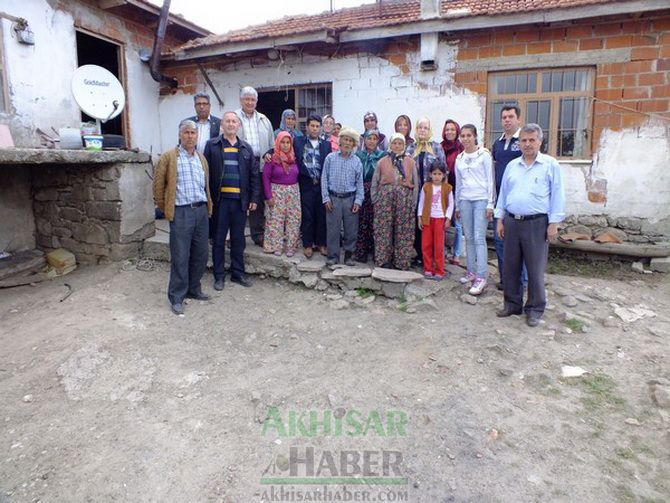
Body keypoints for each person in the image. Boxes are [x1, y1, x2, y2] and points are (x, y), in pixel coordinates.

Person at [495, 124, 565, 327]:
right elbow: (503, 195)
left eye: (531, 140)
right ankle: (512, 304)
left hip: (537, 223)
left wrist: (554, 223)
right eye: (523, 140)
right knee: (510, 266)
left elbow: (558, 194)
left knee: (534, 270)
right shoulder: (512, 166)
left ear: (540, 142)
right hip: (511, 222)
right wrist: (500, 219)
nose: (527, 144)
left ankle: (534, 309)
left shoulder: (550, 165)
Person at [153, 119, 213, 315]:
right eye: (186, 132)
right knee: (180, 255)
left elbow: (206, 186)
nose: (190, 136)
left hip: (201, 212)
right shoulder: (170, 157)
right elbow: (158, 188)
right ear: (180, 135)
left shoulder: (201, 158)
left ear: (197, 136)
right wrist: (167, 209)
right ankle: (177, 296)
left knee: (201, 254)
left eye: (193, 133)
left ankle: (193, 289)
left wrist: (206, 208)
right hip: (181, 212)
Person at [205, 111, 260, 291]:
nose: (230, 124)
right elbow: (205, 174)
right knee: (219, 239)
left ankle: (238, 273)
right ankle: (219, 276)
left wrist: (253, 198)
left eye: (233, 121)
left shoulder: (246, 148)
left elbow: (253, 176)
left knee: (238, 240)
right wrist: (208, 199)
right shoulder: (212, 146)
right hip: (220, 202)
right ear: (222, 125)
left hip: (239, 202)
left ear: (239, 125)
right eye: (227, 121)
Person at [454, 124, 494, 296]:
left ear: (475, 136)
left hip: (480, 199)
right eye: (462, 136)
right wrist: (457, 204)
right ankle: (470, 272)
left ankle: (481, 276)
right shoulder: (459, 158)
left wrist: (490, 203)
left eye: (469, 135)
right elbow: (458, 184)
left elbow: (490, 180)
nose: (465, 139)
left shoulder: (484, 155)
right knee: (468, 237)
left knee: (479, 238)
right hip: (465, 200)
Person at [492, 105, 528, 291]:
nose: (507, 120)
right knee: (500, 241)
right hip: (500, 200)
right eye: (504, 117)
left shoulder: (523, 141)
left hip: (518, 201)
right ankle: (505, 279)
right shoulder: (497, 143)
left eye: (511, 116)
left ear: (518, 119)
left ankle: (522, 281)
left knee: (519, 244)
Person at [371, 133, 419, 270]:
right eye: (394, 143)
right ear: (390, 145)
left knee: (403, 231)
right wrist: (375, 200)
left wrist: (413, 203)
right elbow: (375, 182)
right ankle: (383, 260)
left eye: (400, 144)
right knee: (383, 230)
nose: (397, 146)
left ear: (404, 146)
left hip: (405, 201)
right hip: (384, 201)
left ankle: (401, 262)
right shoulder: (382, 161)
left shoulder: (410, 162)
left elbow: (415, 183)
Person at [235, 86, 274, 247]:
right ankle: (236, 236)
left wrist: (270, 154)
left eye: (252, 99)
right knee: (239, 199)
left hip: (260, 163)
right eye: (246, 99)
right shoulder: (234, 118)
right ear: (241, 100)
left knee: (257, 199)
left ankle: (258, 234)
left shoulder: (264, 119)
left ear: (256, 101)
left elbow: (272, 143)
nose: (250, 102)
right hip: (239, 164)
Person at [321, 126, 364, 267]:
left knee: (351, 230)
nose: (347, 143)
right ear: (340, 141)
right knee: (333, 229)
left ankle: (349, 256)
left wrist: (358, 201)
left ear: (354, 144)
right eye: (345, 139)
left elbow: (359, 183)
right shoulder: (330, 158)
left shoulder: (357, 161)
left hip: (350, 199)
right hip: (333, 199)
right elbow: (324, 179)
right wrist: (326, 198)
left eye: (350, 141)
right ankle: (333, 256)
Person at [407, 116, 446, 266]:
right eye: (420, 127)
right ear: (416, 130)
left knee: (430, 224)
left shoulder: (436, 147)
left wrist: (444, 195)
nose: (422, 130)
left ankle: (432, 258)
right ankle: (420, 255)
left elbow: (444, 172)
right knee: (417, 225)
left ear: (430, 130)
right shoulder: (411, 148)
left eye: (426, 128)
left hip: (433, 193)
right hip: (415, 193)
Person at [295, 114, 332, 258]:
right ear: (307, 127)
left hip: (321, 184)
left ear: (321, 128)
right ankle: (308, 244)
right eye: (312, 126)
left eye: (317, 126)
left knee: (321, 214)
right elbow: (283, 149)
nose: (315, 129)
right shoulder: (298, 142)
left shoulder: (326, 145)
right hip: (306, 183)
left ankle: (321, 244)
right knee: (307, 214)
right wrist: (269, 152)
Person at [262, 131, 301, 256]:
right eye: (283, 142)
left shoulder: (294, 158)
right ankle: (276, 246)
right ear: (278, 143)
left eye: (288, 142)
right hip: (276, 192)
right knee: (275, 220)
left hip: (293, 192)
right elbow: (265, 178)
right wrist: (268, 196)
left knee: (293, 220)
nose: (285, 145)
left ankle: (291, 247)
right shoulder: (272, 158)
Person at [354, 128, 387, 263]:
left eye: (374, 139)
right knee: (361, 221)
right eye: (369, 138)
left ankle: (375, 252)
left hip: (377, 191)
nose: (372, 141)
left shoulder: (383, 156)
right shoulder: (358, 155)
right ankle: (361, 252)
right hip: (361, 190)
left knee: (376, 222)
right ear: (365, 140)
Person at [417, 161, 453, 280]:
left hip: (440, 219)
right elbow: (421, 203)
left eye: (439, 174)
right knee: (426, 245)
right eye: (434, 173)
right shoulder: (426, 187)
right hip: (427, 219)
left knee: (438, 246)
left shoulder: (447, 188)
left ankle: (439, 271)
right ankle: (428, 269)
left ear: (443, 175)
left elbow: (451, 205)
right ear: (430, 174)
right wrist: (419, 217)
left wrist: (448, 218)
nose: (436, 176)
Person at [440, 119, 464, 265]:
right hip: (443, 189)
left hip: (458, 189)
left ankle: (456, 254)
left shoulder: (461, 148)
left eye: (452, 130)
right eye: (447, 129)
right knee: (442, 221)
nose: (449, 132)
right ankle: (442, 252)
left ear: (457, 131)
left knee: (457, 222)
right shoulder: (440, 147)